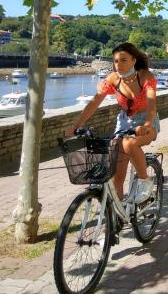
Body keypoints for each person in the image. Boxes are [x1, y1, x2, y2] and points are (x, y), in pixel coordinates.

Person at [65, 43, 160, 203]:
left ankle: (145, 181)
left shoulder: (145, 77)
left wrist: (147, 124)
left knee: (129, 144)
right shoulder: (113, 80)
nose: (119, 65)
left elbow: (152, 104)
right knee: (116, 174)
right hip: (124, 121)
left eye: (123, 60)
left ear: (134, 60)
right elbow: (94, 103)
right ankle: (118, 217)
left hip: (145, 121)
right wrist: (76, 126)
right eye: (115, 61)